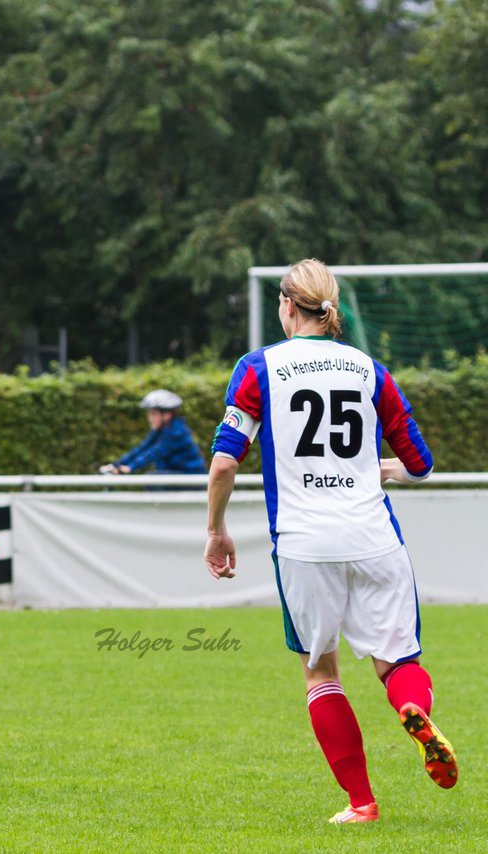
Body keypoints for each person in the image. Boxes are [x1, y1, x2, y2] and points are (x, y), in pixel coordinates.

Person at [204, 258, 453, 825]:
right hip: (373, 536)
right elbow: (421, 465)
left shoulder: (258, 367)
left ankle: (362, 803)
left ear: (288, 305)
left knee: (321, 672)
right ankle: (412, 706)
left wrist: (216, 530)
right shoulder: (370, 370)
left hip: (302, 543)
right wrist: (378, 471)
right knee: (397, 662)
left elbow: (223, 465)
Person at [99, 389, 207, 475]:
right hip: (177, 476)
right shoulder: (161, 430)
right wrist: (117, 464)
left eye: (154, 414)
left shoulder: (176, 433)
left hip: (191, 479)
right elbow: (143, 448)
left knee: (152, 478)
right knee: (153, 478)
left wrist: (130, 467)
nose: (150, 418)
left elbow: (154, 453)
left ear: (167, 415)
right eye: (149, 414)